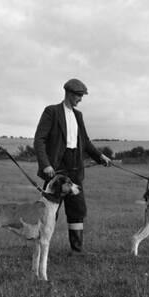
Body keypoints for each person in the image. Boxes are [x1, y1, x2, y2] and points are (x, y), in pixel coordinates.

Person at [34, 79, 111, 253]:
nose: (80, 99)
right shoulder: (51, 111)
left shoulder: (79, 116)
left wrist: (100, 157)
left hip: (75, 167)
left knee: (77, 209)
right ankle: (41, 248)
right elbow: (39, 140)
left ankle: (77, 251)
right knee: (48, 210)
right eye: (78, 95)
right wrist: (46, 165)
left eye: (82, 96)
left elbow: (85, 141)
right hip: (55, 169)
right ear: (68, 93)